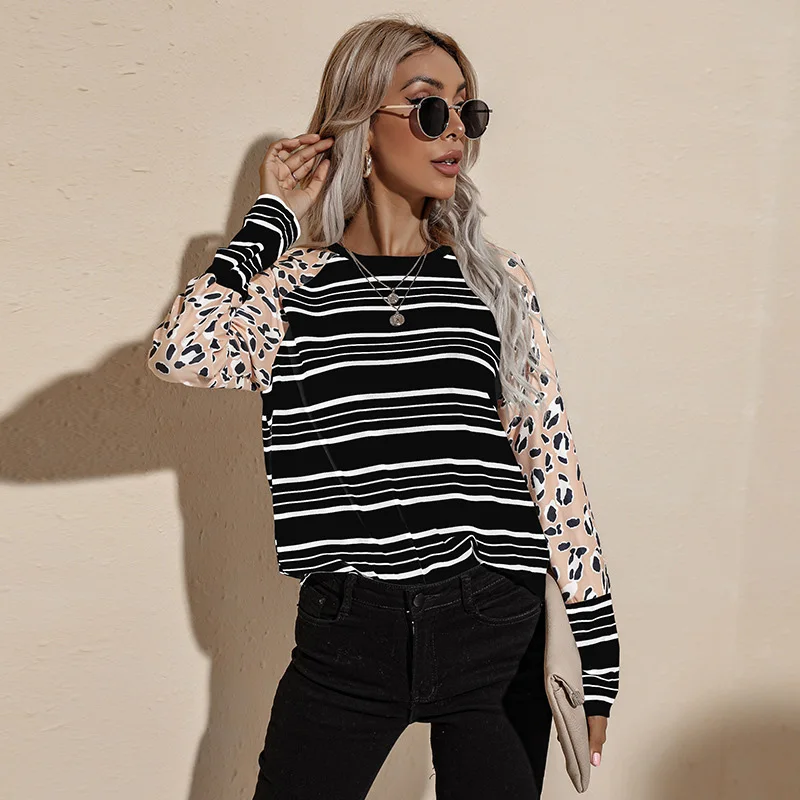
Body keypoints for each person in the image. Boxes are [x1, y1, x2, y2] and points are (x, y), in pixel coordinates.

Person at [147, 14, 620, 800]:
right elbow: (180, 353)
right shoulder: (291, 287)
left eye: (467, 110)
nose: (456, 131)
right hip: (348, 633)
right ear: (362, 127)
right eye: (430, 108)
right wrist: (270, 220)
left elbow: (550, 461)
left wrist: (597, 654)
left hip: (495, 617)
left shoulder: (494, 281)